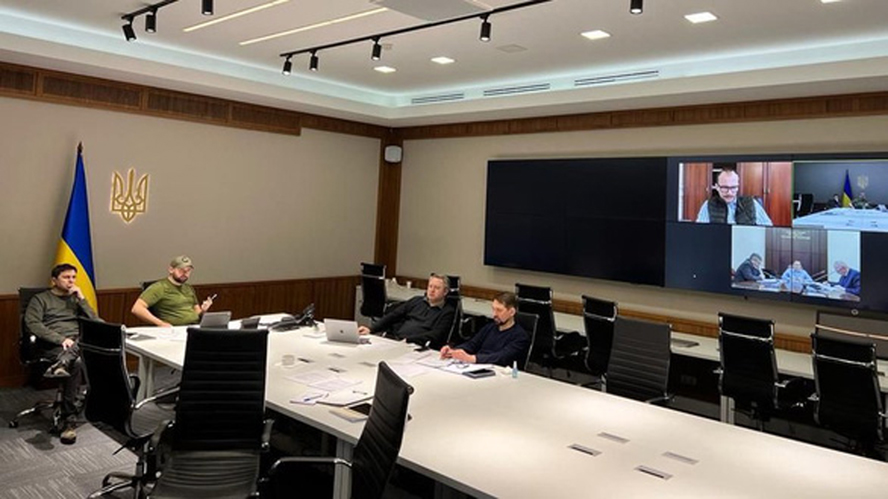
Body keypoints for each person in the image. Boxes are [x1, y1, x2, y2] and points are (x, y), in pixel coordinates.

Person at [24, 263, 99, 445]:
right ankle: (68, 421)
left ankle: (64, 363)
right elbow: (32, 324)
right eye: (66, 277)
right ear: (54, 280)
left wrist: (82, 299)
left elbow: (96, 322)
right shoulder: (40, 299)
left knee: (89, 340)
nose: (71, 281)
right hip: (53, 345)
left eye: (73, 277)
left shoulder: (75, 299)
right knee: (77, 362)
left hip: (77, 342)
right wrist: (60, 339)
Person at [357, 274, 454, 348]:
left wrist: (409, 340)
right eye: (430, 286)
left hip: (418, 346)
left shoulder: (447, 312)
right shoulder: (416, 301)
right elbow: (393, 315)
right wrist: (371, 329)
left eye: (437, 288)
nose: (432, 290)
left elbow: (436, 335)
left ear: (445, 292)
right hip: (397, 340)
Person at [440, 292, 529, 367]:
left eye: (499, 310)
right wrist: (453, 351)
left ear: (512, 312)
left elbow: (501, 357)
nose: (494, 314)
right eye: (493, 309)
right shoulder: (489, 327)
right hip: (478, 366)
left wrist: (472, 358)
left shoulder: (520, 337)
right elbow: (472, 344)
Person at [131, 255, 213, 327]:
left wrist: (203, 310)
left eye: (188, 270)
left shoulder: (188, 288)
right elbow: (137, 309)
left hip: (195, 326)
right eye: (181, 270)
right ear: (171, 270)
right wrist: (161, 323)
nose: (185, 273)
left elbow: (197, 313)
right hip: (175, 329)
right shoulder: (160, 287)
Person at [696, 167, 773, 226]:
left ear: (738, 187)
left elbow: (768, 228)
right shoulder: (708, 205)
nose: (729, 192)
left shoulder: (752, 203)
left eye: (733, 188)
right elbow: (700, 232)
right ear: (717, 187)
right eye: (725, 188)